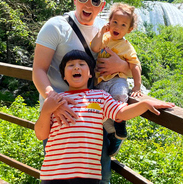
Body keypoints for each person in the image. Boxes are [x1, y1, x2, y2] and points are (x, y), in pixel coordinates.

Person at [32, 0, 130, 184]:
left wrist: (123, 67)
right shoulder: (56, 27)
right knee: (60, 175)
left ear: (101, 5)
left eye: (95, 1)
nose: (88, 4)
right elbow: (38, 70)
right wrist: (53, 102)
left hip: (94, 117)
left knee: (99, 176)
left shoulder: (107, 30)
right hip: (60, 118)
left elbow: (129, 61)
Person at [35, 50, 174, 183]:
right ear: (64, 76)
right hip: (53, 173)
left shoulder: (100, 97)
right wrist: (46, 111)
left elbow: (121, 113)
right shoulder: (55, 101)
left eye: (82, 64)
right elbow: (41, 135)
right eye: (70, 65)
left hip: (87, 174)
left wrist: (145, 104)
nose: (76, 67)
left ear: (90, 74)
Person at [90, 2, 141, 156]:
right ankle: (115, 134)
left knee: (120, 95)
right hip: (100, 82)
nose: (117, 27)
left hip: (117, 79)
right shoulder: (104, 38)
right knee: (99, 110)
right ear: (109, 22)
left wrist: (137, 86)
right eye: (115, 22)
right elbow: (94, 48)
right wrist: (101, 32)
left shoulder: (127, 46)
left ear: (129, 29)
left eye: (123, 25)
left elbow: (135, 65)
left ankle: (120, 122)